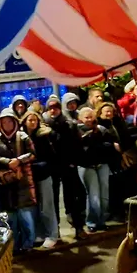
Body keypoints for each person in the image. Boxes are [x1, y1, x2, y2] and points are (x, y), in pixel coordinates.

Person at [0, 107, 38, 251]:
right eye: (4, 122)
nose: (7, 124)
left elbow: (33, 153)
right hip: (6, 183)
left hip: (23, 181)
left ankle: (28, 244)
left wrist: (19, 160)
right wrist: (7, 162)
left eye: (10, 121)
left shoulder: (23, 136)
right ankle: (13, 247)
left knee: (26, 216)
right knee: (11, 219)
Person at [44, 94, 88, 240]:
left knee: (74, 196)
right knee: (53, 200)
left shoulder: (68, 124)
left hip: (68, 165)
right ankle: (55, 231)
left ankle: (78, 226)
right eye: (50, 108)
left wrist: (74, 161)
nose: (53, 110)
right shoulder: (44, 124)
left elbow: (77, 144)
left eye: (56, 107)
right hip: (52, 166)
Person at [77, 107, 118, 233]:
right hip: (87, 166)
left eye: (91, 117)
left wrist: (96, 145)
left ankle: (102, 221)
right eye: (86, 117)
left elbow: (109, 145)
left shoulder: (101, 130)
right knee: (93, 196)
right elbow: (80, 150)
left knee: (104, 195)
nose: (89, 120)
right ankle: (92, 222)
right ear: (80, 118)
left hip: (102, 165)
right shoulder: (77, 131)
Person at [24, 111, 59, 247]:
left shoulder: (44, 135)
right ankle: (39, 234)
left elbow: (51, 155)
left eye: (35, 120)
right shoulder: (21, 136)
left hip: (43, 174)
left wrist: (43, 166)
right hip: (28, 176)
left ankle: (52, 234)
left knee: (47, 206)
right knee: (34, 207)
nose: (32, 122)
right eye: (30, 120)